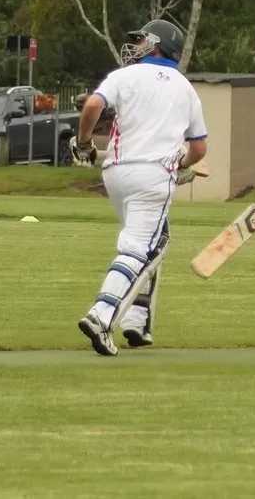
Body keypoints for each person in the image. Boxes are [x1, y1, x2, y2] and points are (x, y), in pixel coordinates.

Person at [71, 19, 208, 356]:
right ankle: (102, 316)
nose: (135, 46)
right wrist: (183, 165)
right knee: (139, 249)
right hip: (154, 176)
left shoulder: (123, 76)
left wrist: (85, 143)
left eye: (141, 41)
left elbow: (92, 106)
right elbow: (200, 149)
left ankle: (137, 321)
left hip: (116, 174)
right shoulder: (186, 89)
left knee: (154, 240)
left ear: (159, 45)